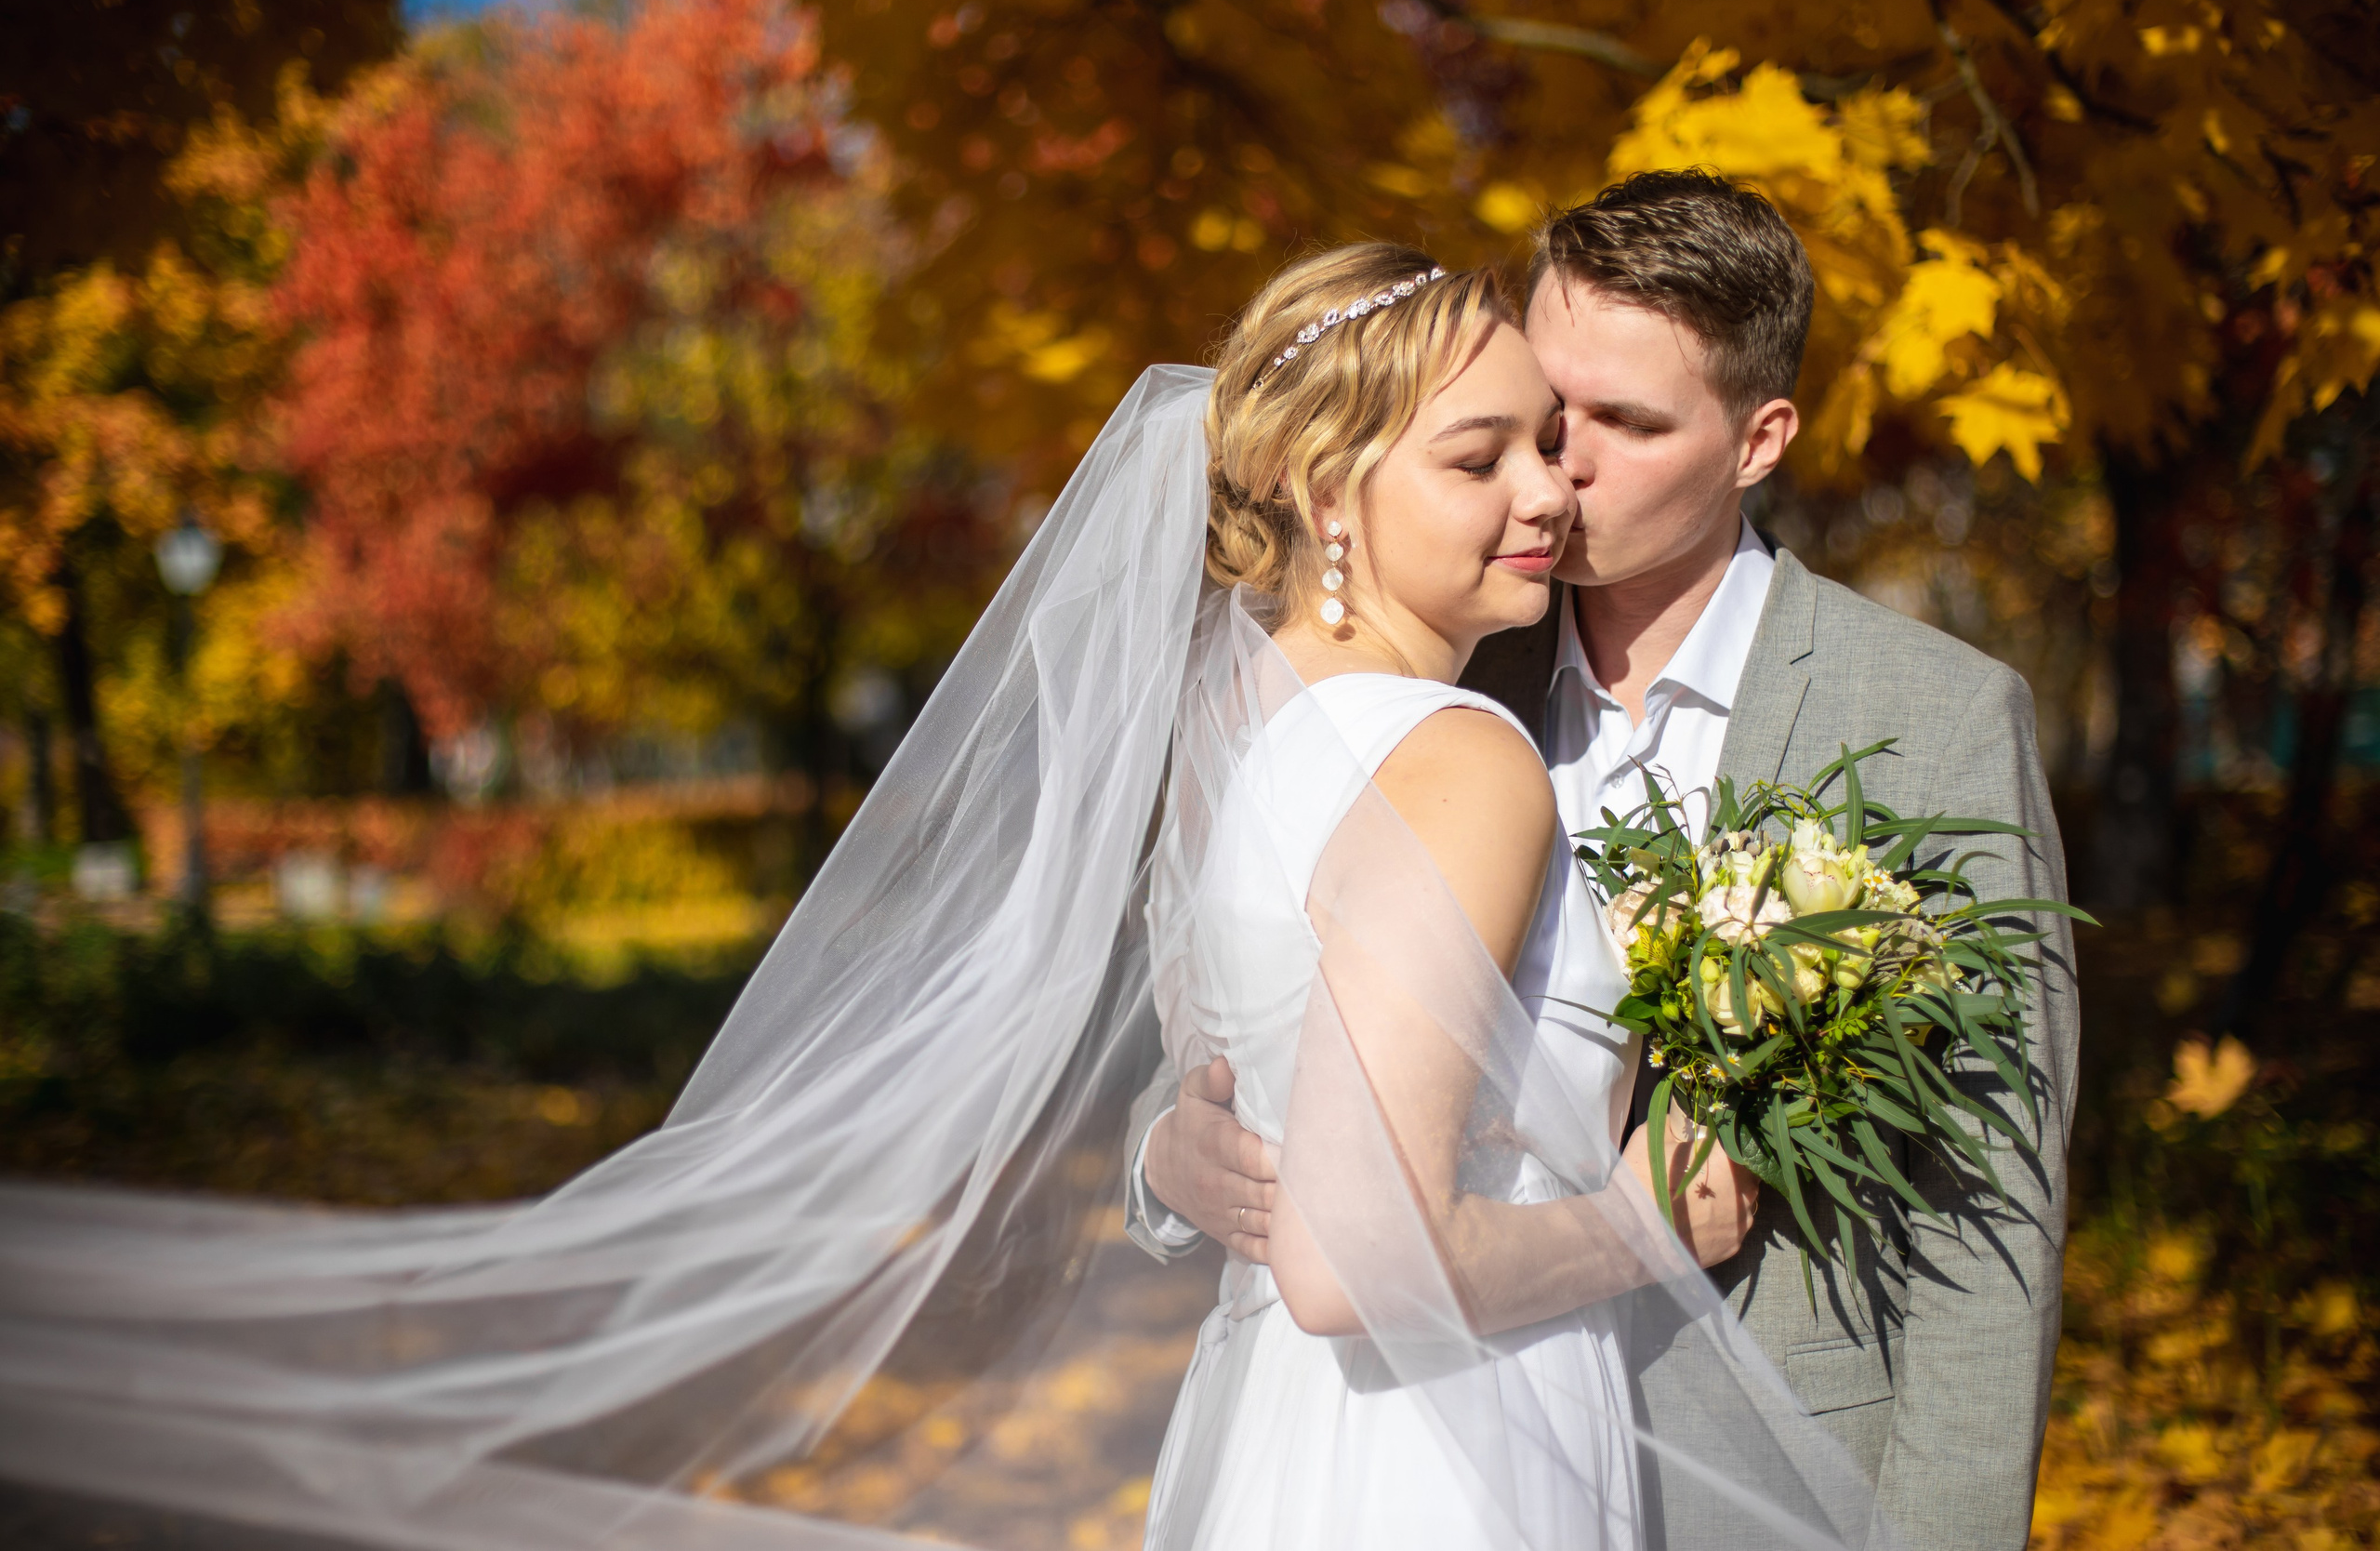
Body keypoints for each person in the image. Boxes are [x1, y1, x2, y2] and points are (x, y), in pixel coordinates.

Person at [0, 234, 1876, 1551]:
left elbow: (1251, 1104)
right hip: (1452, 1458)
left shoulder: (1242, 729)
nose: (1547, 492)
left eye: (1548, 442)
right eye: (1483, 455)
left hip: (1285, 1446)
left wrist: (1171, 1154)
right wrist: (1643, 1224)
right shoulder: (1459, 759)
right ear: (1328, 490)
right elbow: (1344, 1262)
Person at [1130, 171, 2081, 1551]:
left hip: (1773, 1493)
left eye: (1623, 425)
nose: (1556, 471)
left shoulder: (1933, 721)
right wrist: (1170, 1154)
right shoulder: (1433, 664)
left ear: (1757, 441)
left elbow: (1990, 1215)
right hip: (1447, 1453)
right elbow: (1241, 1044)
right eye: (1542, 412)